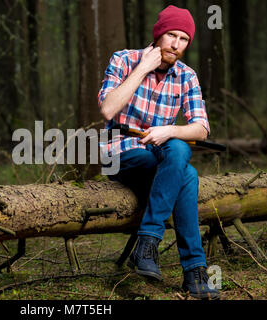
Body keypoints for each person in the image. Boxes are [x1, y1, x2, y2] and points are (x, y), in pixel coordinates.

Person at [97, 5, 220, 299]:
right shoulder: (124, 60)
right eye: (171, 35)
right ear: (158, 35)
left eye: (183, 39)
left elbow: (201, 127)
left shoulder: (186, 76)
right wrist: (143, 69)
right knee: (187, 175)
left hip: (161, 157)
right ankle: (193, 270)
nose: (176, 44)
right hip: (119, 154)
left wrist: (170, 131)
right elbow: (108, 108)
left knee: (180, 156)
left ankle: (149, 246)